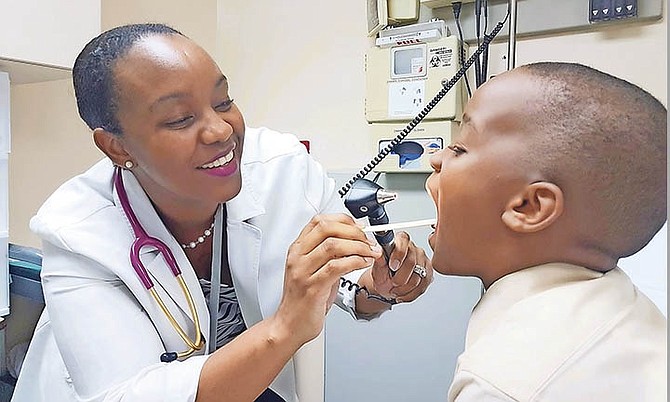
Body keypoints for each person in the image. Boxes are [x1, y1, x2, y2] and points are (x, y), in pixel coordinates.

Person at [12, 23, 433, 402]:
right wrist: (284, 328)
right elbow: (125, 393)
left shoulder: (284, 170)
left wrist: (378, 287)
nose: (220, 130)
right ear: (117, 147)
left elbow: (342, 284)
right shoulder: (75, 231)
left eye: (224, 100)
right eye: (180, 119)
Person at [425, 62, 667, 401]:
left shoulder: (502, 385)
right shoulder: (628, 316)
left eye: (460, 147)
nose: (436, 158)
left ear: (530, 207)